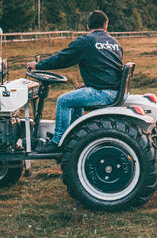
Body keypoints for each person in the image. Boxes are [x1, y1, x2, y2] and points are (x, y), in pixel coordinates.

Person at [27, 10, 123, 153]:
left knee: (63, 100)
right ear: (105, 26)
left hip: (102, 93)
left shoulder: (86, 42)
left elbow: (62, 58)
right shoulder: (114, 43)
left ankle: (58, 142)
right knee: (76, 96)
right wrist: (88, 84)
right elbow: (110, 68)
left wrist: (38, 65)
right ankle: (73, 136)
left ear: (87, 26)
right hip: (114, 91)